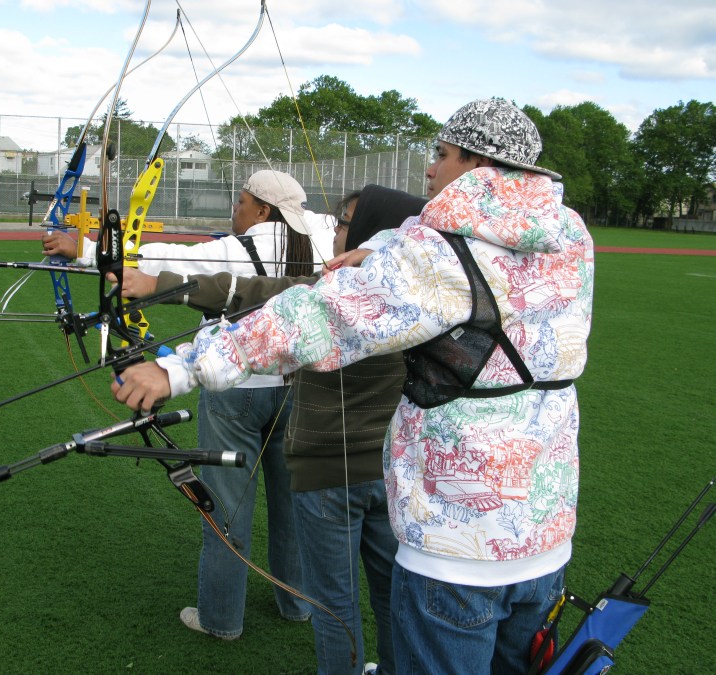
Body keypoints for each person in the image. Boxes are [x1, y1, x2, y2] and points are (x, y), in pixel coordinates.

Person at [111, 99, 595, 674]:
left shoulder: (439, 255)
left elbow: (318, 318)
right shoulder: (569, 238)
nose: (429, 169)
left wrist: (181, 368)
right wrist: (383, 249)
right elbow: (455, 256)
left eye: (441, 154)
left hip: (458, 547)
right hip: (544, 536)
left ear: (478, 162)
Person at [120, 185, 428, 674]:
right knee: (392, 590)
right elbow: (262, 293)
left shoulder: (342, 296)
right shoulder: (424, 293)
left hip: (331, 471)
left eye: (345, 222)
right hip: (391, 471)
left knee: (336, 603)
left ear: (373, 233)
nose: (335, 230)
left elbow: (268, 302)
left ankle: (230, 618)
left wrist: (175, 356)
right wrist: (163, 285)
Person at [45, 170, 333, 641]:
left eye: (242, 202)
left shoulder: (234, 249)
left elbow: (155, 259)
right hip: (299, 389)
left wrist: (82, 247)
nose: (235, 209)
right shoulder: (323, 239)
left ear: (263, 210)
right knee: (293, 503)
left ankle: (221, 618)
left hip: (234, 391)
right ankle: (298, 603)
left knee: (225, 510)